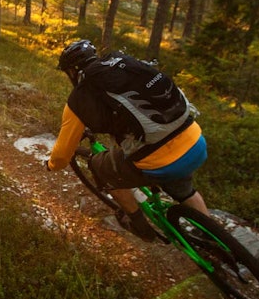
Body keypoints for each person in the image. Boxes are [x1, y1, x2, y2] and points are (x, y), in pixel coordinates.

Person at [45, 39, 209, 240]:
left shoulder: (81, 96)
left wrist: (51, 165)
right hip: (195, 141)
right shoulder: (125, 64)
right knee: (185, 191)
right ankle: (213, 238)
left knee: (101, 168)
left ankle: (138, 224)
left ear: (72, 71)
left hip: (160, 161)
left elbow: (62, 155)